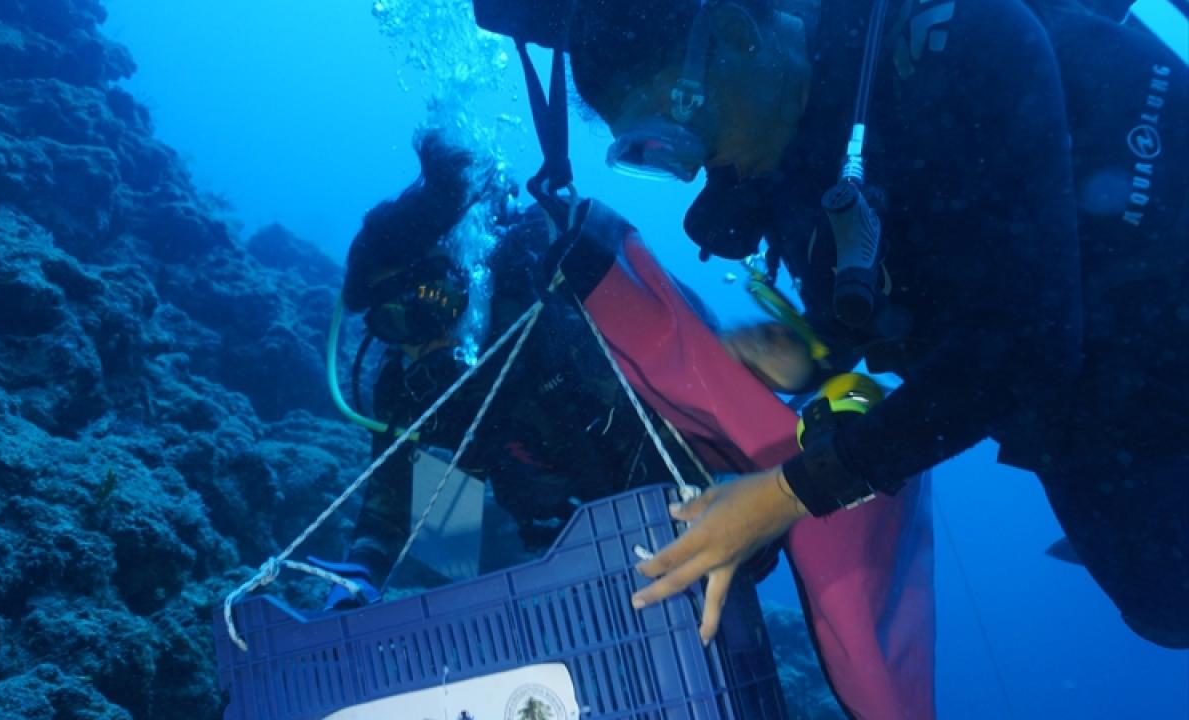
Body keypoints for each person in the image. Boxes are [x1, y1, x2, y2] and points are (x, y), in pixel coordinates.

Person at [563, 0, 1188, 649]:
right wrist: (810, 349)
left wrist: (787, 495)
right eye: (651, 152)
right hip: (1097, 399)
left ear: (734, 33)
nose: (690, 166)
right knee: (1163, 607)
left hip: (1148, 319)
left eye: (681, 123)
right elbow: (884, 289)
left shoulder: (961, 40)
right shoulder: (789, 148)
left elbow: (1029, 342)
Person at [325, 130, 775, 605]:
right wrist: (360, 576)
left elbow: (678, 408)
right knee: (445, 554)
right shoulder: (411, 384)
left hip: (672, 497)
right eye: (390, 323)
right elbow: (396, 508)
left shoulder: (557, 311)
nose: (418, 341)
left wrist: (730, 513)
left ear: (462, 268)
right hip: (553, 525)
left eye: (425, 304)